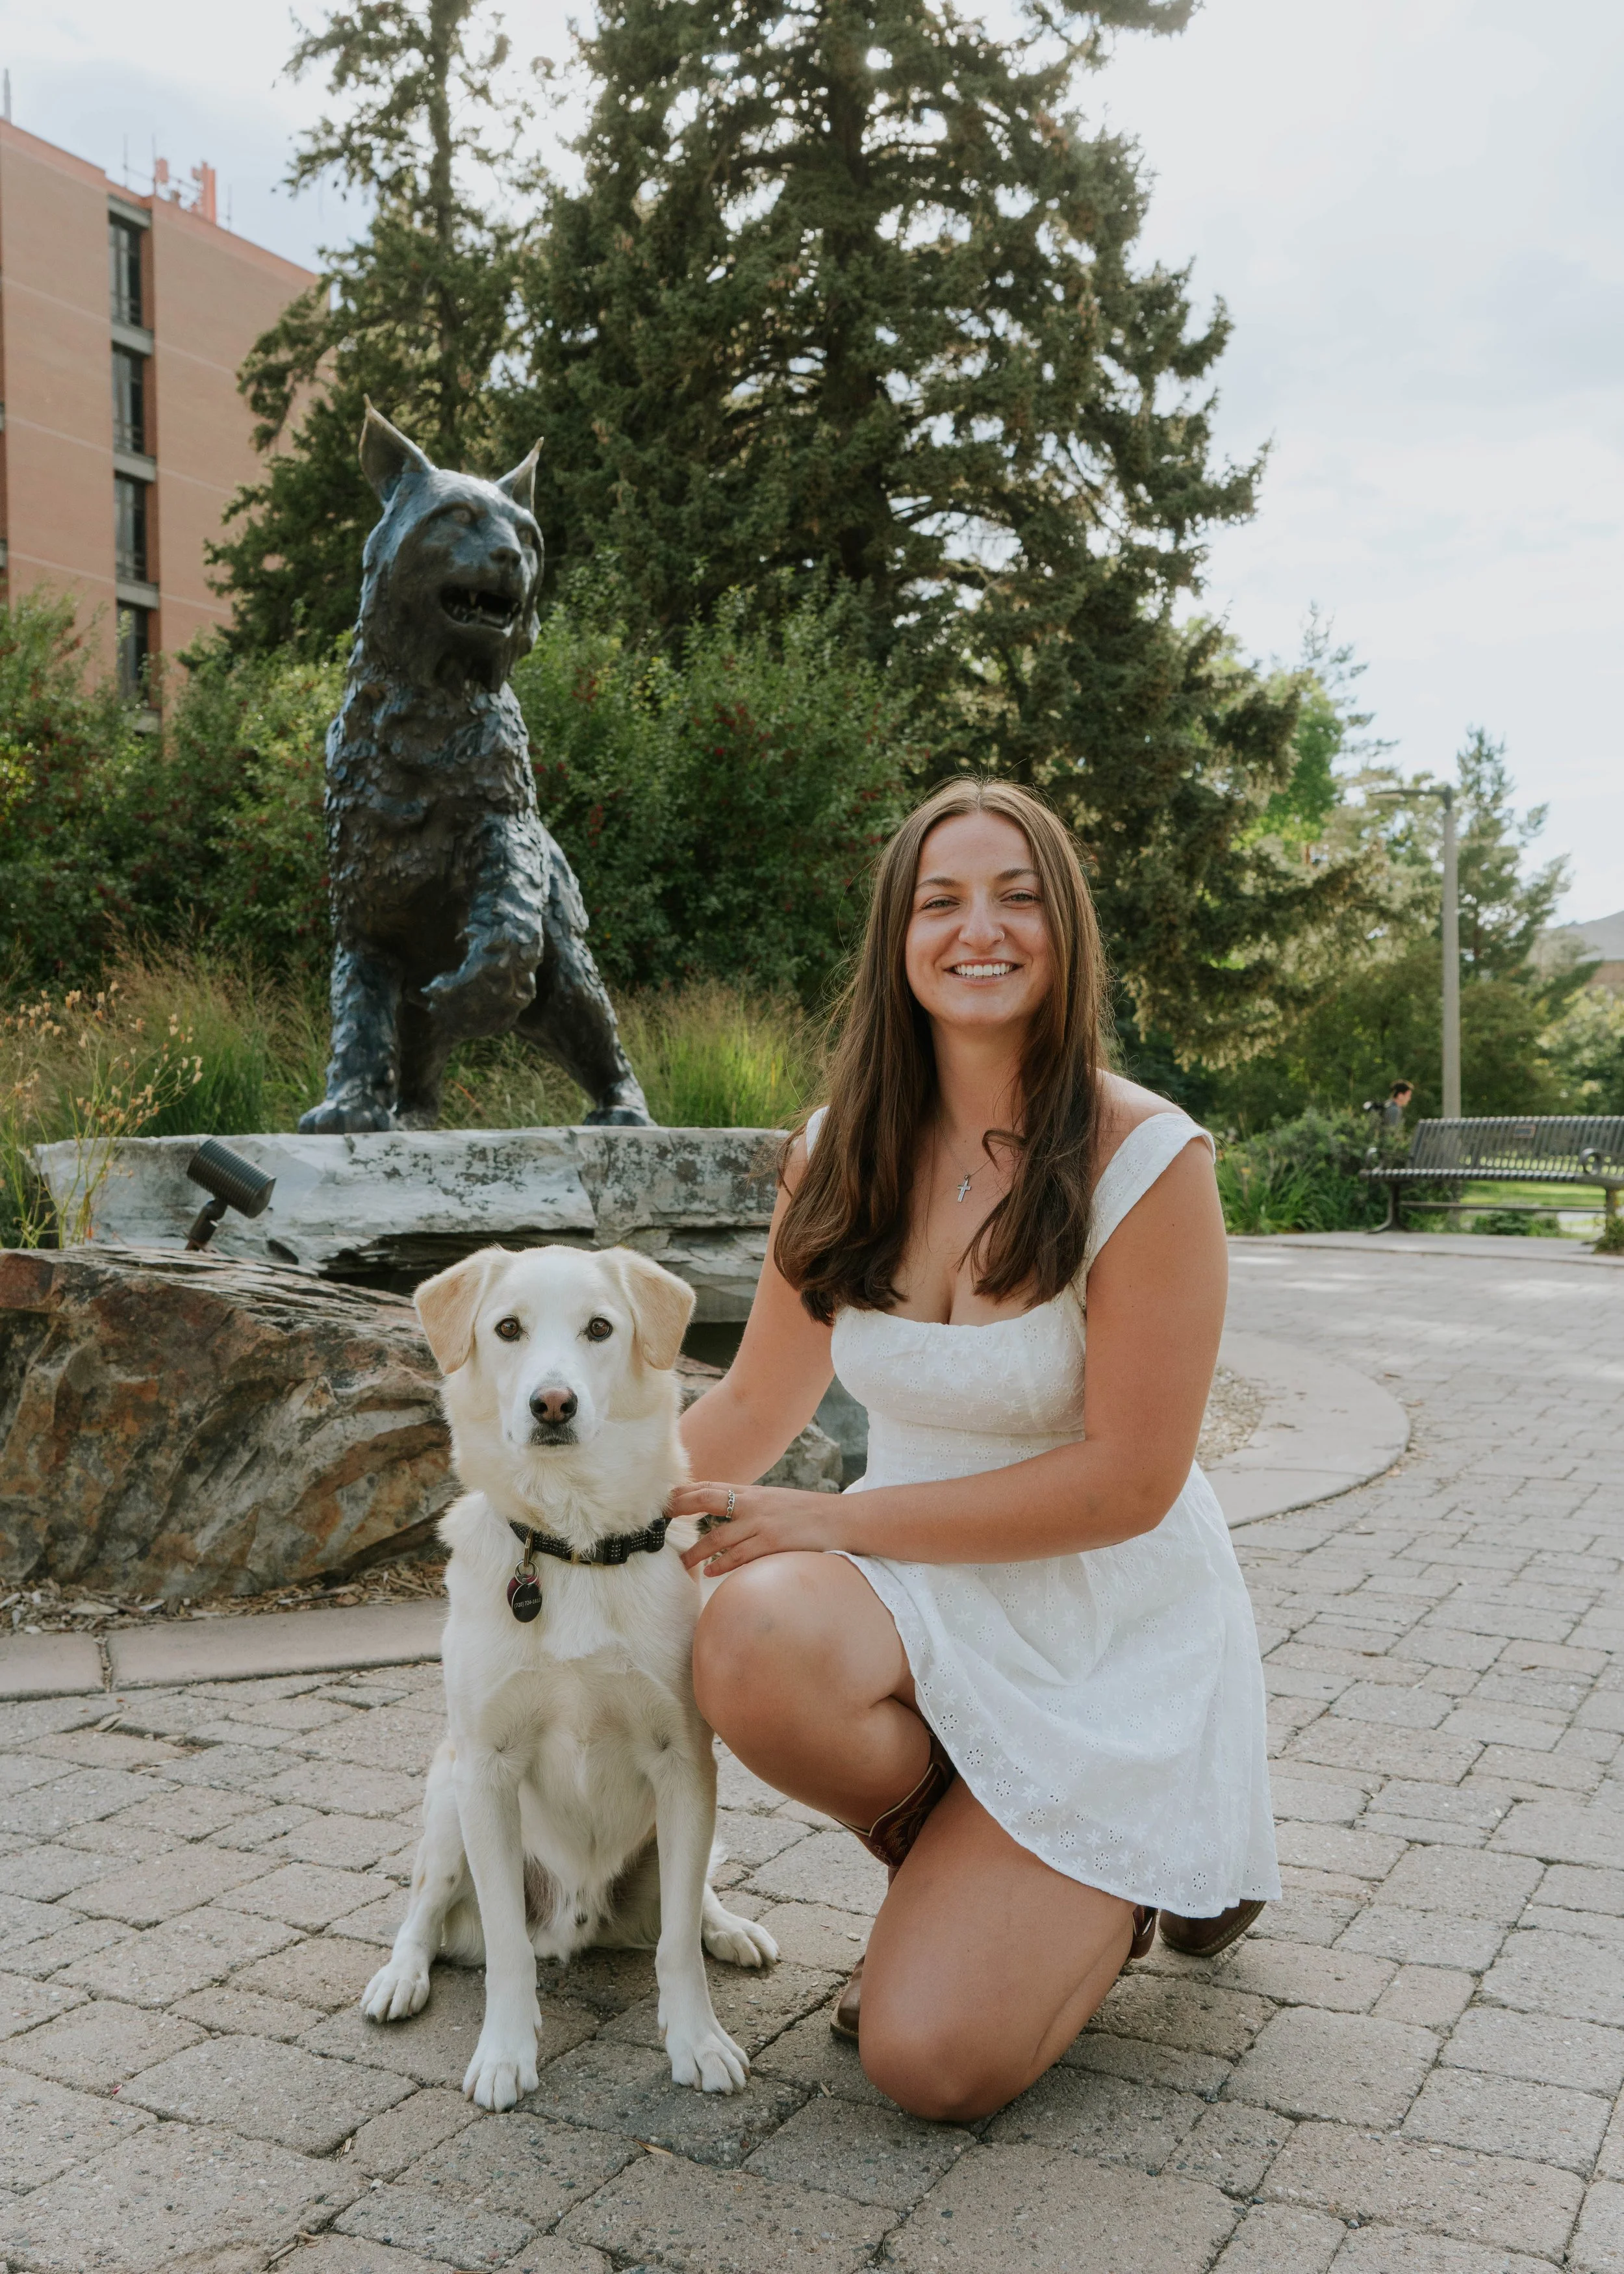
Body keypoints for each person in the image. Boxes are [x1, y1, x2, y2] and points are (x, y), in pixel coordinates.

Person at [672, 780, 1279, 2123]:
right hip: (920, 1591)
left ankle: (1123, 1869)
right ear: (898, 935)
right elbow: (748, 1409)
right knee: (749, 1636)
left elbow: (1128, 1482)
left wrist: (830, 1522)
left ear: (1062, 927)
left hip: (1105, 1620)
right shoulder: (834, 1153)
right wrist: (545, 1510)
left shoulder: (1145, 1158)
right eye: (940, 899)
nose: (978, 928)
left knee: (928, 2063)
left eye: (1014, 895)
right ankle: (961, 1854)